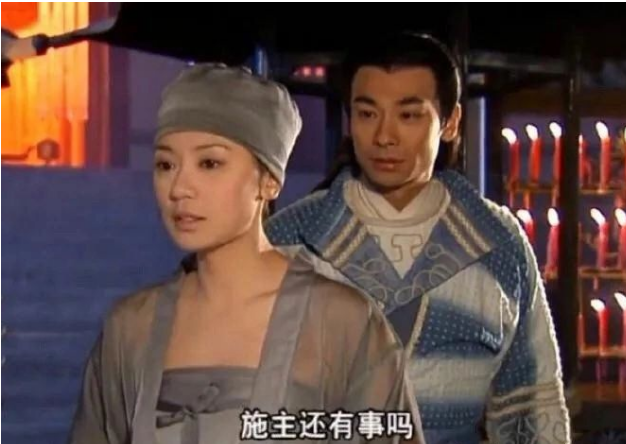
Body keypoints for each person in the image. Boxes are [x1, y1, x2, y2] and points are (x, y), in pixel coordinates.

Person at [68, 63, 425, 444]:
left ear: (268, 181)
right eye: (165, 165)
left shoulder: (341, 322)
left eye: (209, 163)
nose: (179, 188)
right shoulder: (130, 327)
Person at [265, 33, 570, 444]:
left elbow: (529, 402)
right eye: (367, 114)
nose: (384, 136)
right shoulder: (291, 237)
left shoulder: (496, 241)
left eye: (408, 115)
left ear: (450, 122)